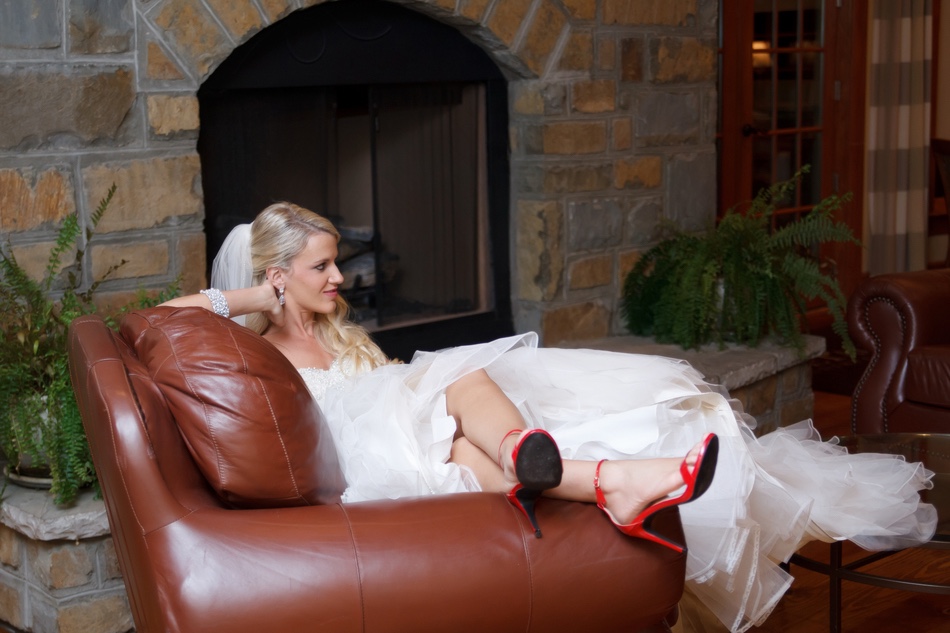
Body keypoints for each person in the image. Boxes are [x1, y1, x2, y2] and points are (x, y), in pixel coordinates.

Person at [163, 202, 936, 633]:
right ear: (278, 275)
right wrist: (254, 297)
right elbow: (165, 318)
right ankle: (590, 473)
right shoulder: (255, 346)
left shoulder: (337, 335)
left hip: (418, 429)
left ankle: (565, 467)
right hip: (363, 451)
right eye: (321, 266)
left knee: (475, 425)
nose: (340, 276)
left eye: (337, 260)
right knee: (459, 379)